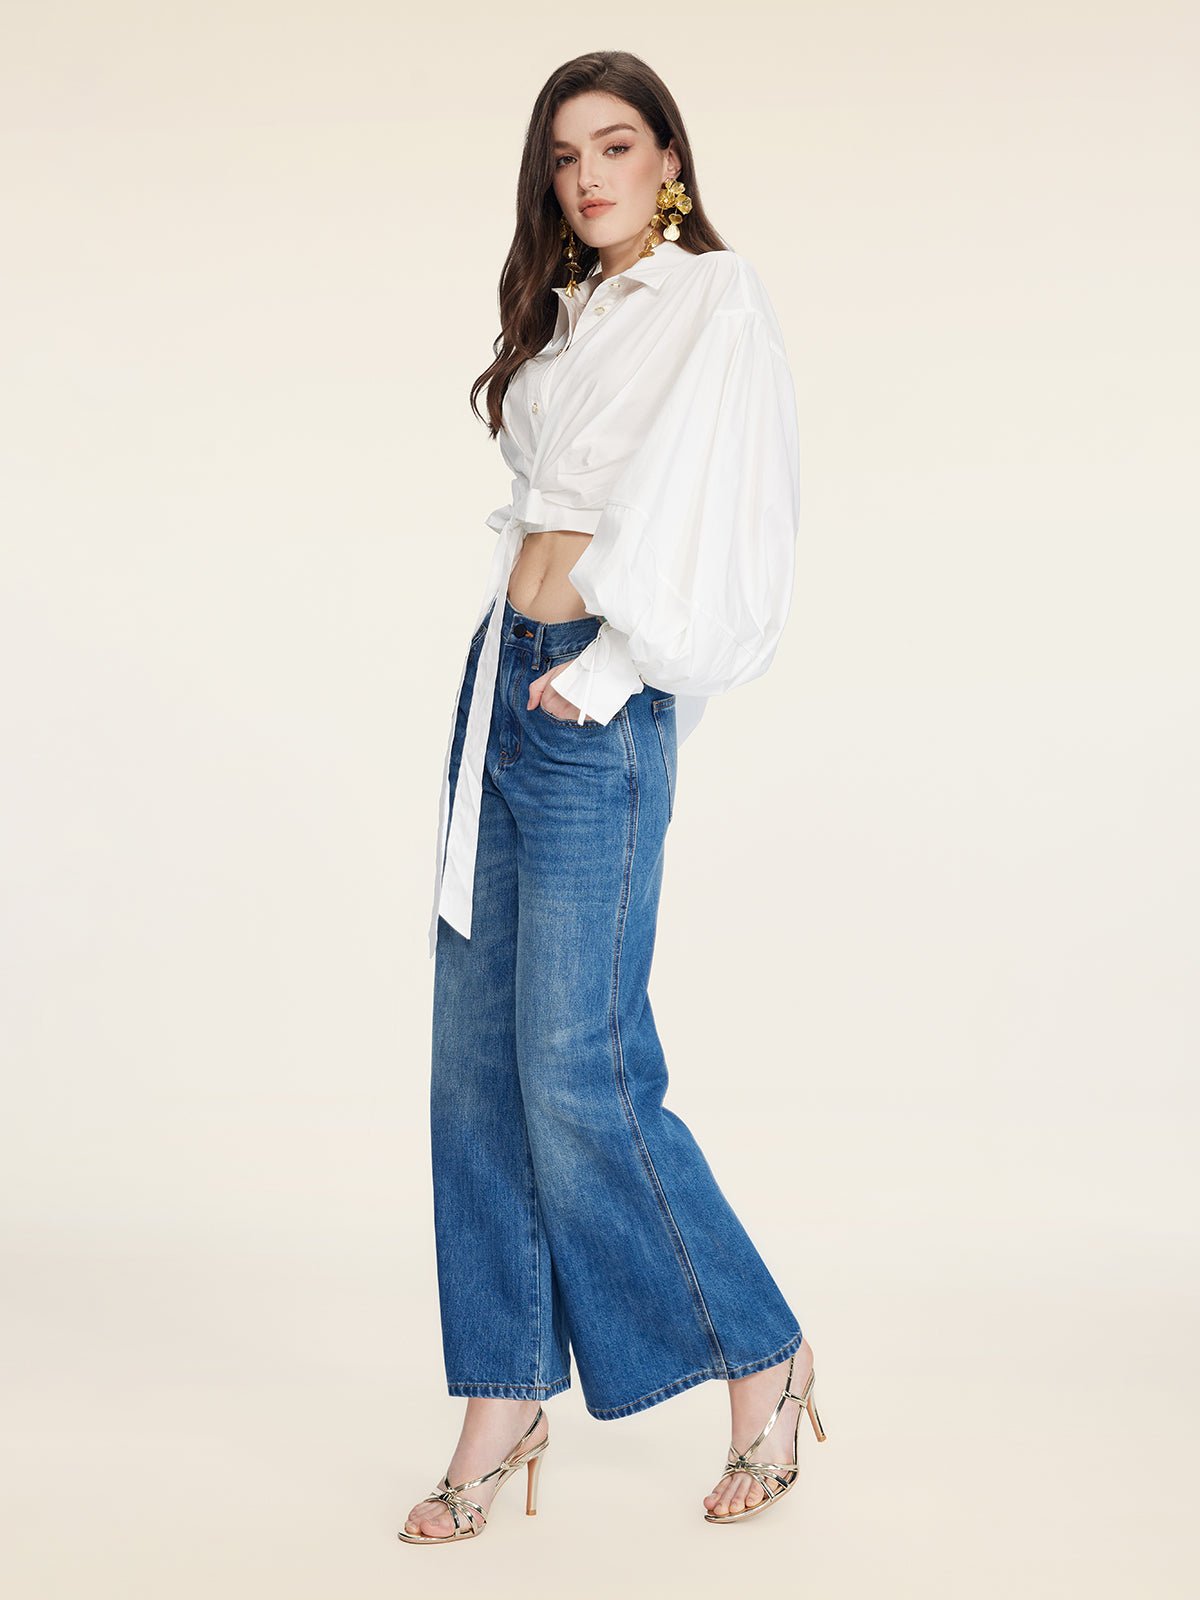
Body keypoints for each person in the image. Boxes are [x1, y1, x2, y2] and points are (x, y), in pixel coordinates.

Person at [401, 52, 826, 1545]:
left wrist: (610, 671)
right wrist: (525, 675)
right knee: (474, 1071)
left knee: (580, 1068)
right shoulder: (572, 313)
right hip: (501, 686)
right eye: (565, 157)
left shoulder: (715, 302)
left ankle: (762, 1355)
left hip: (596, 702)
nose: (589, 177)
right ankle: (502, 1401)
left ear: (669, 160)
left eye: (617, 145)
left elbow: (732, 522)